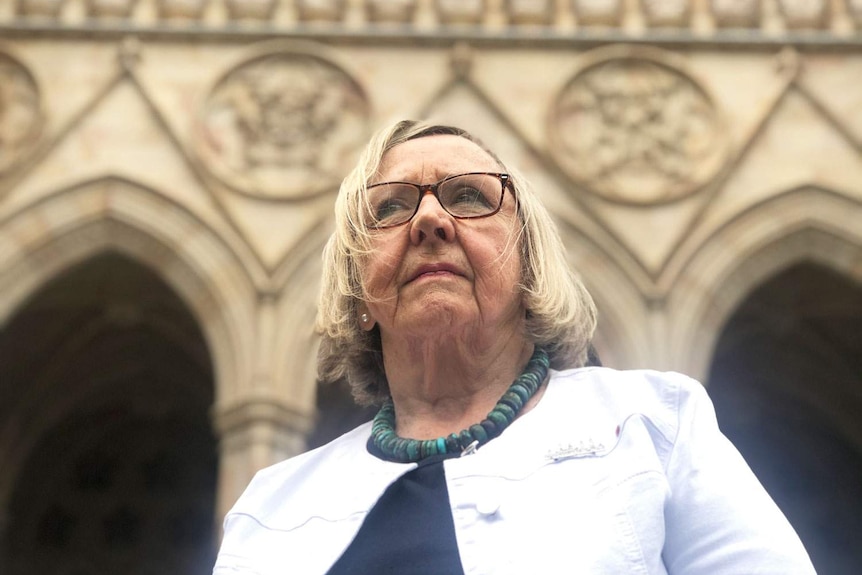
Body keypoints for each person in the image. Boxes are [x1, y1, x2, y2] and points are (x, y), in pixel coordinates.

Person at [212, 120, 816, 574]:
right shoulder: (270, 506)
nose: (430, 220)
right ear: (359, 292)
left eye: (470, 197)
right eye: (390, 208)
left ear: (529, 264)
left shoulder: (655, 424)